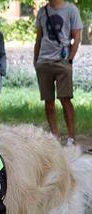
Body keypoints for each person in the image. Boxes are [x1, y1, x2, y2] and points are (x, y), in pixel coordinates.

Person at [34, 0, 82, 146]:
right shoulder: (42, 12)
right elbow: (39, 38)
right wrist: (36, 61)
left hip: (62, 62)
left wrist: (69, 59)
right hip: (44, 62)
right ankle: (55, 137)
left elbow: (77, 37)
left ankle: (71, 138)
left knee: (65, 99)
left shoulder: (71, 10)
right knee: (48, 102)